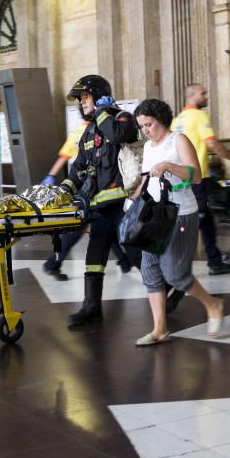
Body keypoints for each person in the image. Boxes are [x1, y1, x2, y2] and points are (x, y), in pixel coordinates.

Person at [131, 99, 225, 345]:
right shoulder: (149, 147)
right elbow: (148, 178)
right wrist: (135, 193)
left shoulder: (178, 141)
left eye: (148, 124)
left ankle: (212, 304)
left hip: (181, 214)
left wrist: (169, 166)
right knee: (149, 269)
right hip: (154, 215)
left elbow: (196, 175)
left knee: (174, 273)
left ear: (161, 119)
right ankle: (160, 328)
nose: (146, 131)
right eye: (141, 126)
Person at [58, 74, 138, 327]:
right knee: (94, 259)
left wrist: (103, 111)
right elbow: (79, 167)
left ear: (99, 95)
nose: (81, 102)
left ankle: (171, 287)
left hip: (124, 208)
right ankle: (91, 307)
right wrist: (64, 190)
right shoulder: (88, 132)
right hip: (100, 210)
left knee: (138, 255)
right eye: (80, 98)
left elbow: (117, 136)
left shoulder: (120, 118)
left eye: (85, 96)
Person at [40, 116, 130, 279]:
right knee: (77, 230)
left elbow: (64, 157)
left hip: (86, 188)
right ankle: (52, 263)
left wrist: (51, 175)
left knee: (104, 224)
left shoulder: (78, 131)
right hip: (90, 189)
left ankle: (124, 261)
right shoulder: (102, 128)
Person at [171, 84, 230, 277]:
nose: (207, 96)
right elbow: (211, 142)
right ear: (193, 96)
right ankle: (214, 260)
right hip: (197, 176)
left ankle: (200, 258)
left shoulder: (178, 119)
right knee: (203, 218)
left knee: (191, 217)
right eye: (203, 93)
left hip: (182, 177)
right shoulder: (199, 116)